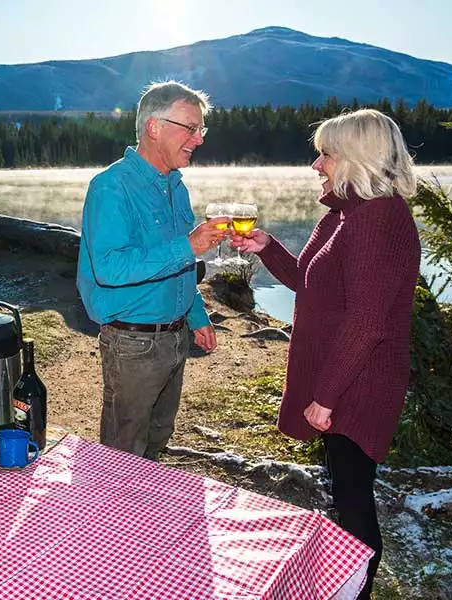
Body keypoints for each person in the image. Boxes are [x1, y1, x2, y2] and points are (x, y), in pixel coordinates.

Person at [230, 108, 420, 599]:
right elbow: (310, 285)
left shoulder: (377, 219)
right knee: (345, 487)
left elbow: (368, 322)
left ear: (357, 157)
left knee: (353, 496)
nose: (317, 164)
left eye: (327, 154)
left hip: (362, 383)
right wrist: (268, 248)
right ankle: (348, 583)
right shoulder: (344, 214)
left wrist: (327, 397)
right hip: (346, 374)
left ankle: (356, 590)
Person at [77, 81, 229, 460]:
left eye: (201, 129)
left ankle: (146, 517)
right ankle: (112, 516)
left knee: (159, 438)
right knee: (124, 453)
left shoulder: (176, 187)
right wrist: (189, 245)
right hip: (133, 344)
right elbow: (110, 268)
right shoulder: (111, 187)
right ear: (154, 127)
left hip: (175, 337)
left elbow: (178, 264)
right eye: (190, 128)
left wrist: (196, 314)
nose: (199, 139)